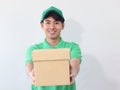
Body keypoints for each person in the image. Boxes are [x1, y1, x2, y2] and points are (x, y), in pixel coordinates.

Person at [25, 6, 82, 90]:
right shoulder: (34, 49)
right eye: (48, 22)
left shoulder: (72, 47)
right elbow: (29, 65)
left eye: (56, 22)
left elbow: (75, 62)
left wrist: (73, 72)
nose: (52, 27)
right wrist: (31, 73)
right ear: (42, 25)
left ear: (62, 25)